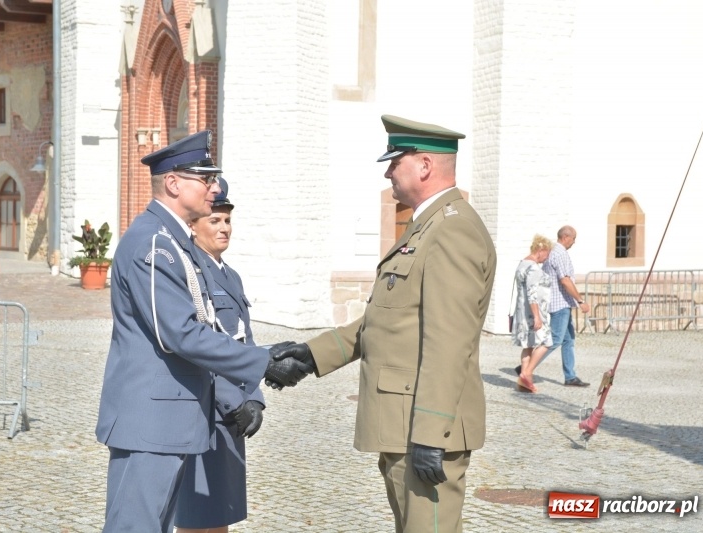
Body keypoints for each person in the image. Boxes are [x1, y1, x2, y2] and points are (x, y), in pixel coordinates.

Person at [268, 115, 497, 533]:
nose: (388, 171)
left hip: (424, 430)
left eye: (395, 161)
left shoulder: (452, 231)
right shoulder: (427, 227)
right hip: (403, 424)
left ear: (424, 166)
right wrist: (311, 355)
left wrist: (430, 432)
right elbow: (386, 320)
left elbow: (449, 343)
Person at [95, 131, 305, 533]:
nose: (212, 188)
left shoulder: (177, 242)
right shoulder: (152, 243)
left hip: (169, 423)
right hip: (150, 424)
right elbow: (180, 334)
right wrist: (263, 361)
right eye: (203, 179)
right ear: (173, 183)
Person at [174, 178, 264, 533]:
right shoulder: (191, 274)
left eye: (227, 220)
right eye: (215, 220)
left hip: (234, 416)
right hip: (207, 411)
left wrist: (254, 398)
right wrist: (234, 401)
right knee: (198, 515)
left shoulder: (231, 275)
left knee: (222, 515)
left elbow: (245, 342)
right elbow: (201, 347)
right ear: (194, 226)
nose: (224, 227)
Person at [540, 225, 591, 386]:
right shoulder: (560, 253)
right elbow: (565, 280)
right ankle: (526, 367)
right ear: (566, 237)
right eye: (573, 238)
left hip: (561, 302)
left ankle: (570, 376)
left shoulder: (552, 252)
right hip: (560, 303)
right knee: (555, 340)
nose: (574, 242)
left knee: (568, 340)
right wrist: (580, 301)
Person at [510, 234, 553, 393]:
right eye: (547, 253)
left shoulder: (522, 264)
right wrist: (537, 317)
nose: (546, 258)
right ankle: (526, 374)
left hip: (522, 312)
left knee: (528, 345)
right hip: (533, 313)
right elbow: (532, 293)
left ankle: (524, 381)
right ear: (540, 250)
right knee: (547, 342)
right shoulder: (533, 267)